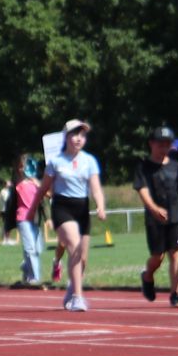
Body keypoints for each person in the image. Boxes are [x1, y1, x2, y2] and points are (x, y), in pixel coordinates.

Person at [44, 121, 108, 311]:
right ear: (66, 137)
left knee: (83, 257)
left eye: (82, 135)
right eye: (74, 134)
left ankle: (72, 289)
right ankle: (78, 297)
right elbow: (44, 188)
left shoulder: (89, 161)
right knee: (74, 247)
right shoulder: (55, 161)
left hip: (82, 209)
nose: (79, 138)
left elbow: (96, 188)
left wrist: (100, 206)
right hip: (62, 207)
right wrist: (32, 210)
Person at [135, 126, 178, 309]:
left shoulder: (176, 166)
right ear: (151, 144)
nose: (164, 148)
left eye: (167, 144)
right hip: (155, 218)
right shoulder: (143, 166)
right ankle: (147, 275)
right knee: (158, 256)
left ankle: (175, 294)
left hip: (176, 214)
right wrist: (154, 209)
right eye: (160, 144)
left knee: (175, 253)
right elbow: (142, 190)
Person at [11, 154, 44, 287]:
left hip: (34, 218)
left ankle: (26, 266)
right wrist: (24, 175)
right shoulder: (18, 183)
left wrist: (38, 183)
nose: (23, 169)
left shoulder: (35, 183)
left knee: (38, 248)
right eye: (22, 167)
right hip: (23, 218)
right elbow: (17, 182)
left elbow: (47, 194)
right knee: (30, 248)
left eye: (26, 166)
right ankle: (34, 278)